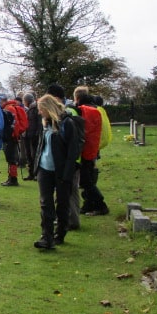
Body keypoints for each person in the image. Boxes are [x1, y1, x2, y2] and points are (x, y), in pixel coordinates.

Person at [32, 94, 81, 249]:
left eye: (41, 109)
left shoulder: (67, 123)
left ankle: (60, 233)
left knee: (62, 203)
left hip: (61, 170)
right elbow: (41, 145)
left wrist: (67, 173)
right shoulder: (45, 123)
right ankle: (46, 237)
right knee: (45, 203)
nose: (39, 113)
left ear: (48, 108)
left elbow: (73, 151)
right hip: (44, 169)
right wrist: (36, 166)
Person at [47, 84, 81, 230]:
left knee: (69, 191)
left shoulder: (68, 112)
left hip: (70, 158)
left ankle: (70, 220)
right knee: (70, 190)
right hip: (70, 157)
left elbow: (72, 138)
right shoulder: (70, 109)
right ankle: (69, 218)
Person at [73, 86, 109, 216]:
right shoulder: (97, 110)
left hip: (86, 149)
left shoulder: (84, 111)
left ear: (77, 98)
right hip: (93, 147)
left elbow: (83, 131)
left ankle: (100, 204)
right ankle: (88, 204)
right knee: (86, 179)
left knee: (86, 181)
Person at [0, 94, 28, 186]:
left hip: (10, 137)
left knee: (11, 159)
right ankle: (11, 178)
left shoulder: (9, 109)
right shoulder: (12, 107)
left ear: (3, 101)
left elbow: (14, 124)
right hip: (13, 137)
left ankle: (13, 179)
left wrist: (12, 135)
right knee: (11, 158)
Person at [22, 92, 41, 181]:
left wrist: (37, 133)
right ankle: (32, 173)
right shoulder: (29, 109)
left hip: (33, 135)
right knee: (29, 155)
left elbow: (39, 123)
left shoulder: (35, 108)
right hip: (28, 135)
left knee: (34, 155)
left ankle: (35, 173)